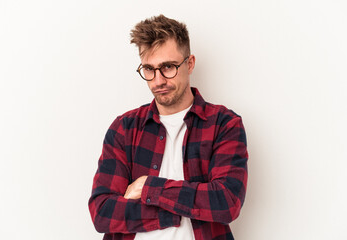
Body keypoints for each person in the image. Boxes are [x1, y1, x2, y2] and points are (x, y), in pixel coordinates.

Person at [88, 14, 248, 240]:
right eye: (149, 69)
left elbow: (226, 202)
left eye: (168, 67)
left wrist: (148, 188)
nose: (158, 81)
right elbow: (103, 212)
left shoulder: (224, 124)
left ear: (189, 64)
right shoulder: (125, 128)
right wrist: (176, 210)